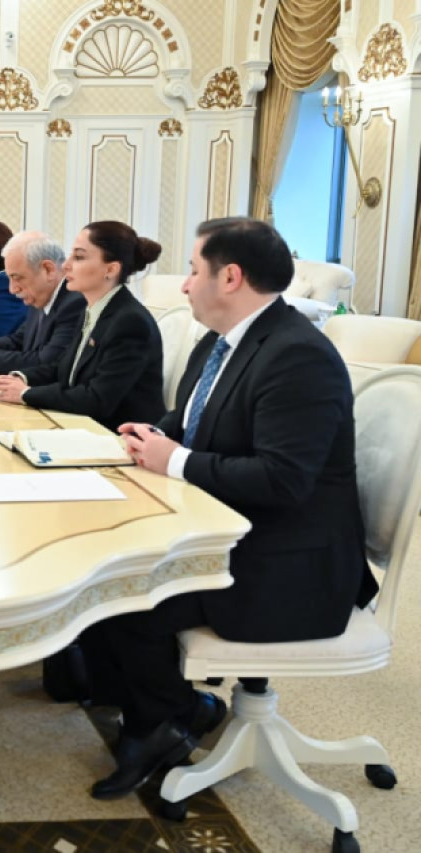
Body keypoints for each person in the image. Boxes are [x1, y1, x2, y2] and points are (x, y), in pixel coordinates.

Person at [81, 217, 380, 800]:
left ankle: (163, 723)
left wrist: (174, 460)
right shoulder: (220, 341)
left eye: (194, 270)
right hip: (240, 531)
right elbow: (188, 423)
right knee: (103, 565)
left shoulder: (298, 356)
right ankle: (167, 706)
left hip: (294, 566)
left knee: (121, 592)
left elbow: (283, 479)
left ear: (231, 277)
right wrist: (151, 437)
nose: (185, 284)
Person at [0, 221, 165, 433]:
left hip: (116, 436)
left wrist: (25, 394)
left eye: (78, 257)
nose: (66, 265)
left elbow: (97, 399)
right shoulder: (92, 310)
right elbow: (63, 369)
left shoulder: (130, 321)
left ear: (110, 269)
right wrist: (20, 378)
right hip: (80, 425)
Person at [0, 231, 86, 374]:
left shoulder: (74, 304)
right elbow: (17, 341)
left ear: (48, 270)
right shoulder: (40, 294)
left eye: (17, 278)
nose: (12, 289)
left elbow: (45, 363)